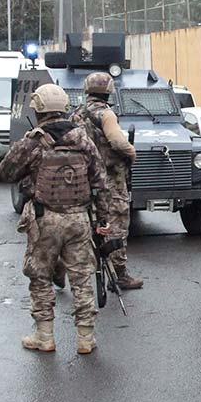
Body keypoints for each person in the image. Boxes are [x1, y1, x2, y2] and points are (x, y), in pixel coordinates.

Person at [0, 83, 111, 355]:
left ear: (38, 110)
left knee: (40, 277)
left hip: (44, 219)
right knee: (82, 278)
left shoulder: (33, 141)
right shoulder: (83, 140)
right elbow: (100, 183)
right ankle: (86, 338)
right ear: (64, 107)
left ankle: (44, 336)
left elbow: (6, 171)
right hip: (79, 220)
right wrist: (103, 220)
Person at [72, 72, 142, 290]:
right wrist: (132, 153)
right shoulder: (106, 114)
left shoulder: (76, 114)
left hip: (84, 178)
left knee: (85, 225)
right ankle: (119, 274)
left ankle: (68, 269)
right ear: (108, 91)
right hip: (110, 179)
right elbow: (117, 142)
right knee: (117, 224)